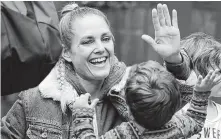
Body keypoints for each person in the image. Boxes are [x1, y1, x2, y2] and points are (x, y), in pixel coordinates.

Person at [1, 2, 190, 139]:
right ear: (66, 52)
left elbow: (176, 112)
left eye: (105, 38)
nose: (100, 47)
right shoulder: (35, 98)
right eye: (88, 41)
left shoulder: (136, 88)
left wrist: (174, 60)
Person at [67, 60, 220, 139]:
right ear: (175, 107)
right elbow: (197, 120)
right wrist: (201, 92)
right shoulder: (179, 126)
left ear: (128, 109)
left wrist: (82, 113)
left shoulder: (124, 134)